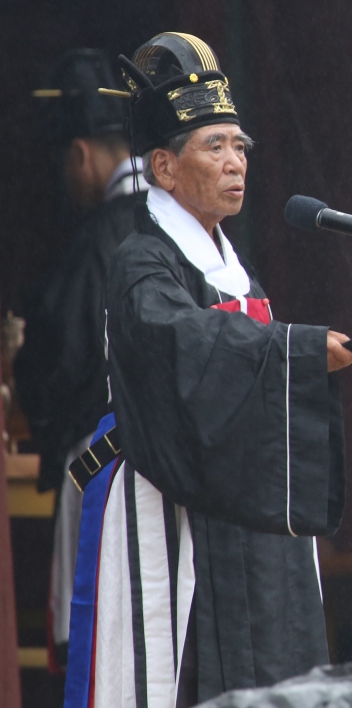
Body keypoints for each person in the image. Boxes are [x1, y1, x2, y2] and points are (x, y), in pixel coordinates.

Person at [63, 33, 352, 708]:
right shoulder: (143, 260)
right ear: (164, 168)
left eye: (240, 146)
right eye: (214, 146)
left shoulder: (233, 266)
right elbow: (182, 341)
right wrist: (296, 351)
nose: (235, 162)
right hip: (166, 499)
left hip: (239, 504)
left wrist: (297, 355)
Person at [13, 49, 148, 666]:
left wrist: (22, 367)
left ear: (79, 155)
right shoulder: (190, 231)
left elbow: (59, 365)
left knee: (100, 651)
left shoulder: (99, 243)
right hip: (184, 470)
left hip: (105, 466)